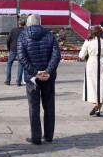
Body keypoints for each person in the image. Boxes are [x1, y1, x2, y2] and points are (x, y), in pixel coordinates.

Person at [18, 14, 61, 144]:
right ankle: (49, 136)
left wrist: (35, 72)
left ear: (28, 23)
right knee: (49, 106)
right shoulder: (49, 35)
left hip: (32, 78)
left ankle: (36, 137)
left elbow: (22, 57)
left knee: (33, 107)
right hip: (48, 77)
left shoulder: (23, 36)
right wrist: (48, 71)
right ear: (40, 22)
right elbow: (56, 55)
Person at [79, 26, 103, 117]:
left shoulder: (88, 41)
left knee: (90, 86)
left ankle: (95, 106)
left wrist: (85, 58)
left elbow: (81, 55)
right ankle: (98, 110)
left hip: (91, 64)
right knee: (102, 87)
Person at [5, 18, 26, 86]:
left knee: (9, 64)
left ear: (18, 23)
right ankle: (18, 82)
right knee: (20, 65)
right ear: (25, 24)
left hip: (13, 49)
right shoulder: (25, 31)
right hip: (21, 50)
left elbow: (8, 40)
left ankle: (8, 80)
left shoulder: (13, 30)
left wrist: (9, 49)